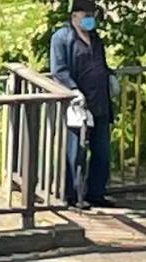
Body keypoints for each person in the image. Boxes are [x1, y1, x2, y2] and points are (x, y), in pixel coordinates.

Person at [49, 0, 115, 210]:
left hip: (100, 103)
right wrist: (73, 89)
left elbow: (100, 65)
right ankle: (73, 195)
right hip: (78, 105)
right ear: (75, 16)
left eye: (92, 14)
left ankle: (96, 192)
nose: (90, 18)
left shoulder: (96, 39)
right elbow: (59, 69)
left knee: (102, 152)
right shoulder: (62, 38)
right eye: (86, 14)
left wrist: (111, 77)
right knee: (76, 152)